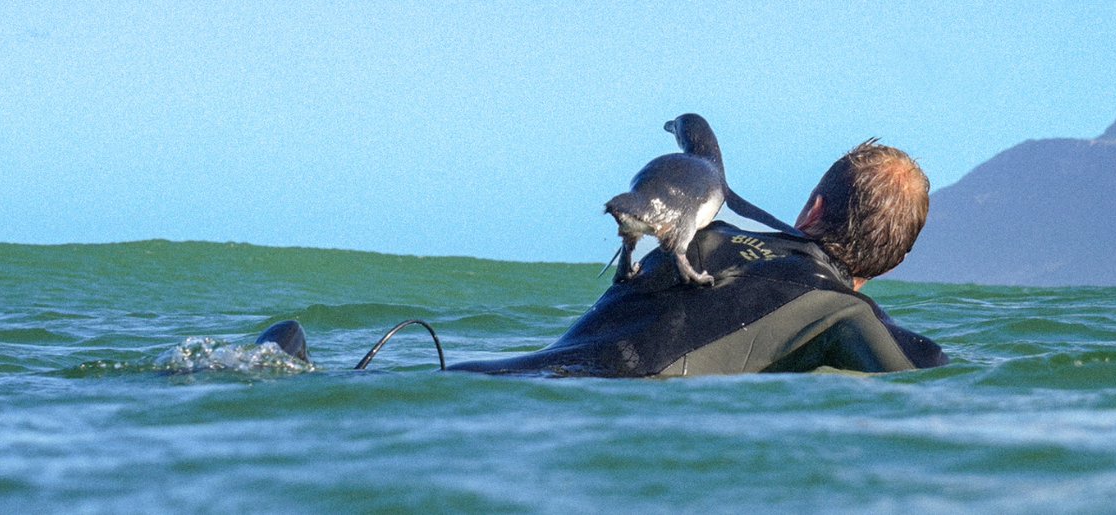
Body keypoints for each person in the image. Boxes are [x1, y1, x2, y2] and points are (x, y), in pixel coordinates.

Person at [260, 140, 948, 376]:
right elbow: (910, 385)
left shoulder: (699, 239)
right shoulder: (839, 314)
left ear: (813, 210)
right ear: (892, 260)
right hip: (586, 403)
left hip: (500, 374)